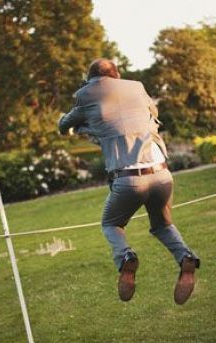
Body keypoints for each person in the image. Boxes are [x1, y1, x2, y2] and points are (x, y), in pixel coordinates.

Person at [58, 58, 201, 304]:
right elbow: (152, 115)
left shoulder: (86, 93)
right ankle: (185, 257)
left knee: (111, 224)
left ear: (91, 78)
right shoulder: (136, 87)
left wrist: (83, 123)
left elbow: (64, 125)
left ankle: (126, 257)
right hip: (162, 174)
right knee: (163, 225)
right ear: (117, 74)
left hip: (128, 179)